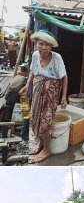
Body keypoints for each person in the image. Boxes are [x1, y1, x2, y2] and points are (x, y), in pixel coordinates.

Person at [19, 29, 68, 163]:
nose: (44, 47)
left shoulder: (56, 58)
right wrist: (27, 86)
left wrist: (63, 97)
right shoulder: (35, 55)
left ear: (51, 46)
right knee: (34, 118)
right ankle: (40, 143)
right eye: (41, 44)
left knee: (45, 121)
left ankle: (46, 149)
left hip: (52, 91)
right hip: (37, 89)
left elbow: (64, 77)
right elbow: (33, 72)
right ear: (36, 44)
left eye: (47, 44)